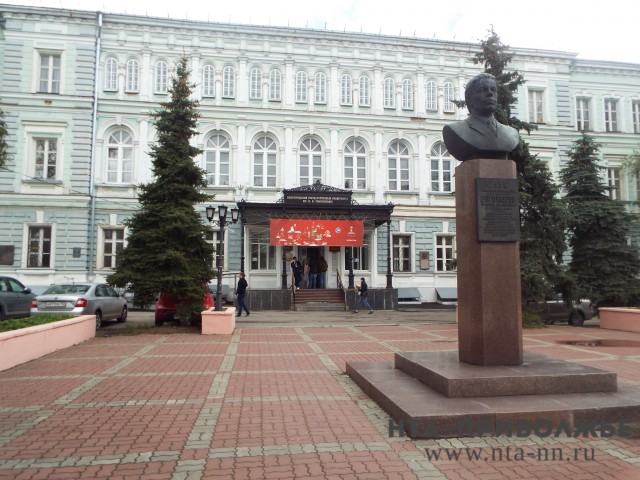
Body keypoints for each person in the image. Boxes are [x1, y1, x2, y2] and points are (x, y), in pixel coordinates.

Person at [442, 73, 519, 162]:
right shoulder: (455, 130)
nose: (490, 93)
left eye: (493, 89)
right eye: (482, 90)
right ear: (469, 99)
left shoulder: (511, 133)